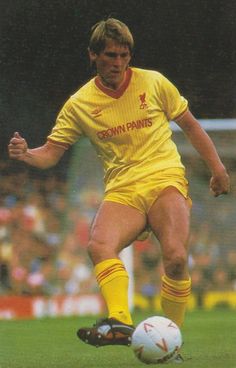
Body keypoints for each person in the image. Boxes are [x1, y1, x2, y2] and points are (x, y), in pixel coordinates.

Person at [8, 18, 230, 353]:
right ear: (93, 55)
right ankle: (120, 322)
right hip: (123, 189)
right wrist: (27, 155)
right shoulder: (80, 103)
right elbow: (51, 153)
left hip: (164, 178)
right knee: (98, 245)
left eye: (124, 55)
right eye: (110, 55)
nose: (118, 62)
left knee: (175, 258)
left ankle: (171, 342)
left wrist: (218, 169)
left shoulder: (153, 83)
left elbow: (191, 126)